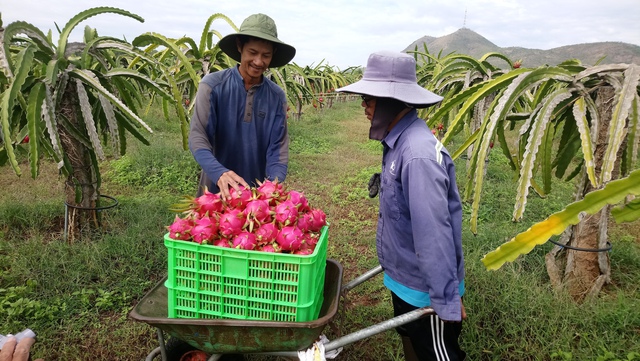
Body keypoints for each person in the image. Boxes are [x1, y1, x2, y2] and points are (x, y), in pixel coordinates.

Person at [337, 51, 467, 361]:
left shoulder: (417, 155)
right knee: (413, 341)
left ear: (394, 101)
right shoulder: (398, 142)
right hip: (405, 277)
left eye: (370, 98)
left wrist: (445, 298)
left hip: (425, 290)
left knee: (437, 353)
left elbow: (433, 234)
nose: (364, 106)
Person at [189, 13, 296, 199]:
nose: (258, 62)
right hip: (215, 190)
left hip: (257, 197)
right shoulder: (212, 86)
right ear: (240, 46)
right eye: (253, 52)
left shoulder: (277, 97)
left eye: (266, 55)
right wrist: (219, 173)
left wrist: (272, 187)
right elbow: (198, 136)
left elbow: (277, 149)